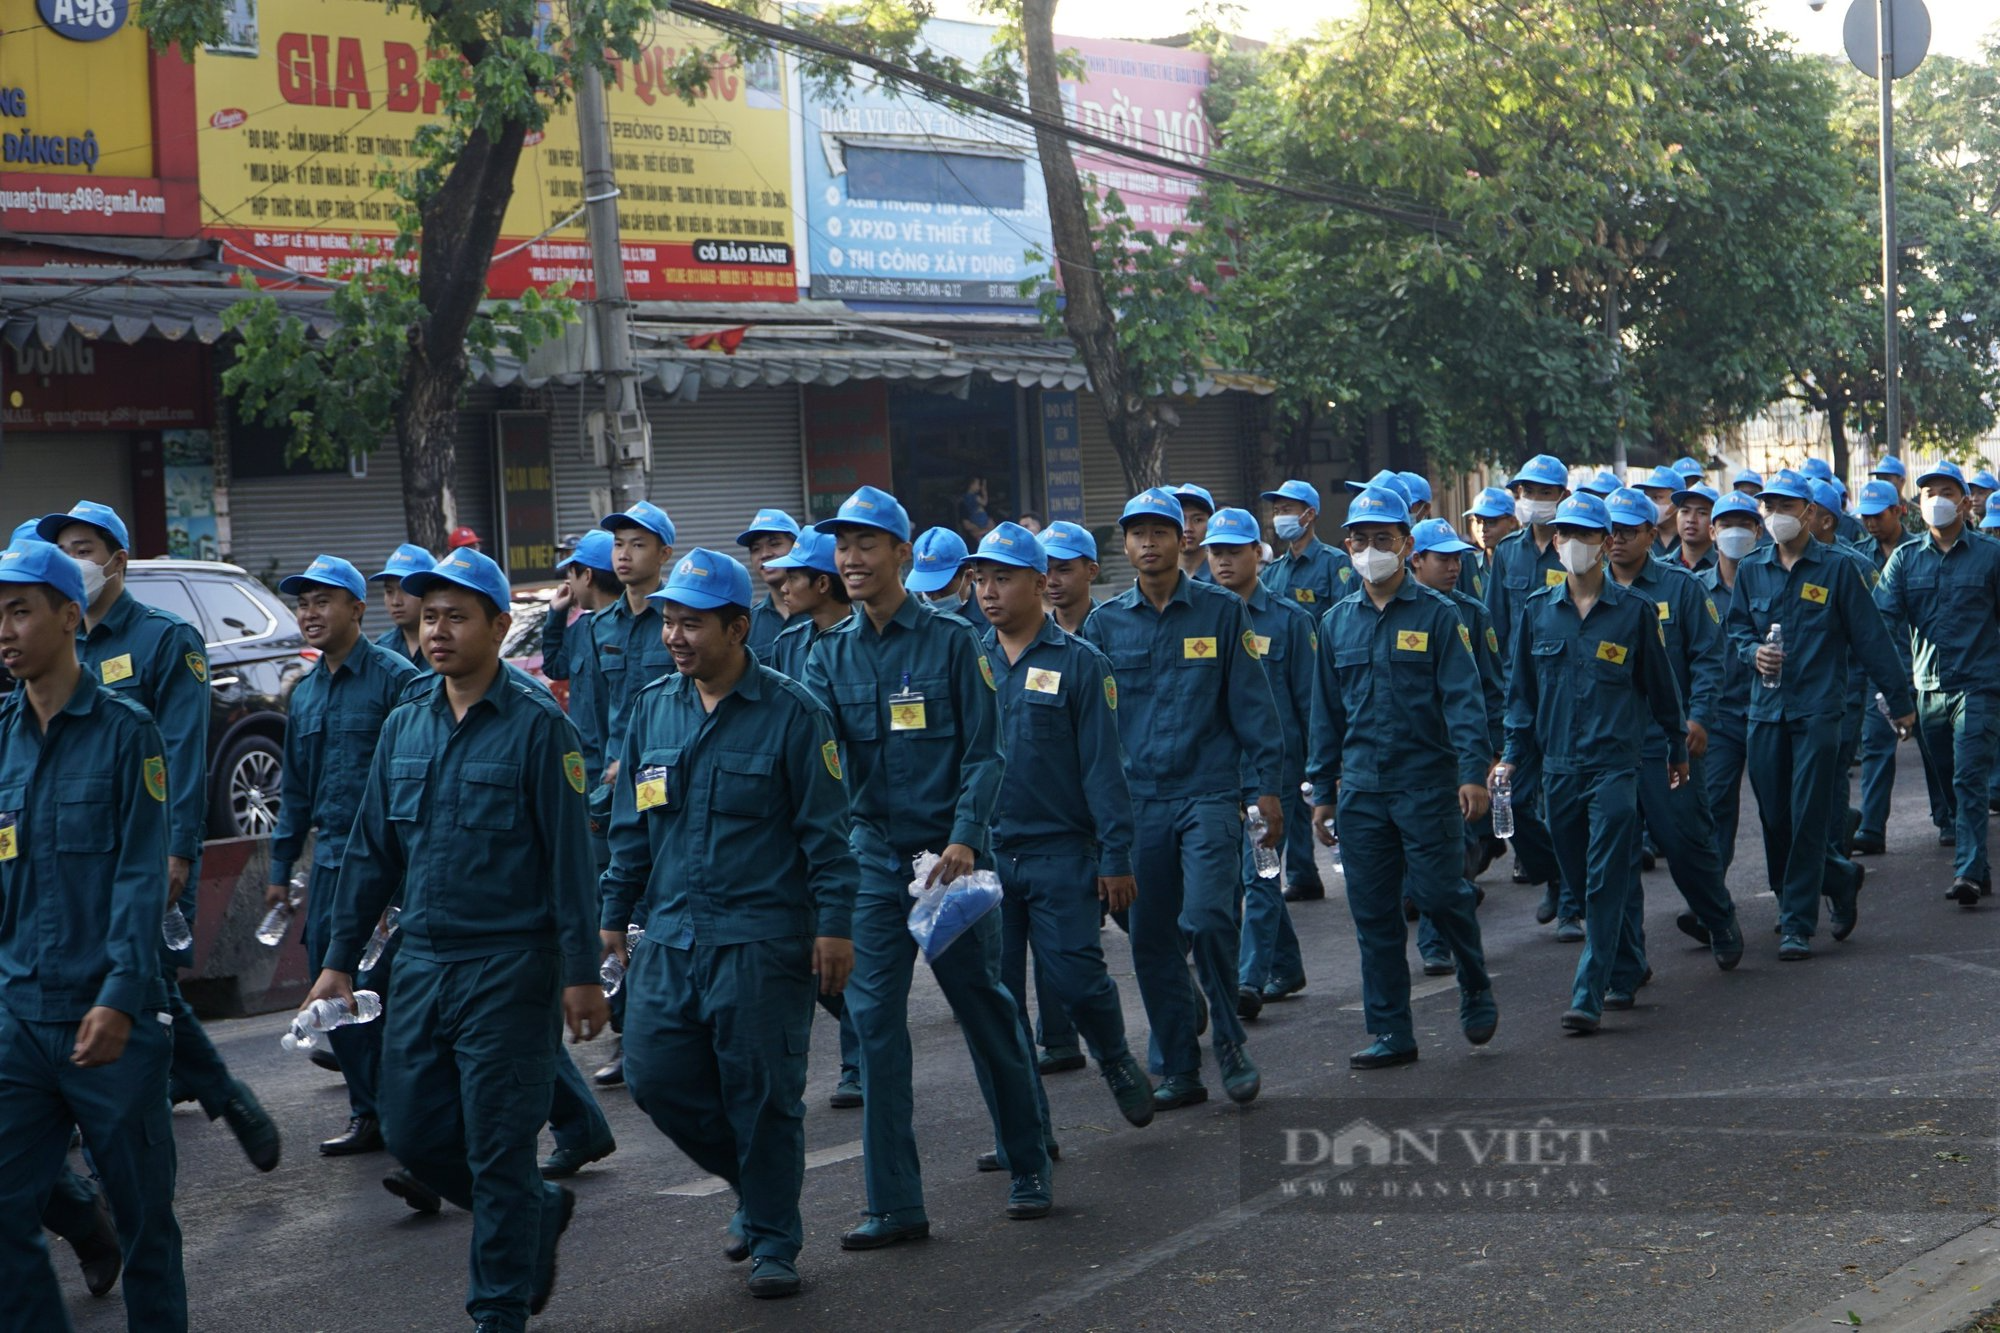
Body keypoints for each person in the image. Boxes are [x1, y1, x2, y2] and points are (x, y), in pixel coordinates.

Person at [308, 548, 609, 1331]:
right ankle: (532, 1211)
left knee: (499, 1143)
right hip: (424, 961)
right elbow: (373, 849)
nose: (438, 631)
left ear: (500, 626)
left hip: (512, 963)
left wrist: (581, 972)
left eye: (457, 616)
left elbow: (573, 860)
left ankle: (498, 1307)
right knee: (411, 1128)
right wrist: (337, 960)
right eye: (429, 615)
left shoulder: (541, 725)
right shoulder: (406, 721)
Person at [600, 549, 858, 1301]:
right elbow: (629, 827)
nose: (674, 637)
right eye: (669, 622)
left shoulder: (794, 713)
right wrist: (614, 912)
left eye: (692, 623)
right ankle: (756, 1184)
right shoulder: (653, 707)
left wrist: (834, 927)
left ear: (739, 627)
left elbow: (827, 837)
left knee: (762, 1093)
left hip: (761, 938)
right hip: (673, 935)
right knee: (654, 1075)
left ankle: (775, 1236)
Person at [804, 485, 1052, 1246]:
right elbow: (822, 772)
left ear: (902, 555)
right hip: (874, 864)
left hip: (951, 861)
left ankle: (1028, 1158)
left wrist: (965, 835)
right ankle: (896, 1203)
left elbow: (986, 752)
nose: (849, 558)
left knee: (984, 1007)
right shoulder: (828, 652)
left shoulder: (952, 643)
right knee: (875, 1023)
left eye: (865, 543)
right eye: (842, 546)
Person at [36, 501, 281, 1171]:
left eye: (84, 548)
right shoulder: (64, 639)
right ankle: (222, 1094)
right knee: (139, 982)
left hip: (145, 847)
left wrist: (176, 848)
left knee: (141, 976)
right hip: (76, 852)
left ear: (117, 559)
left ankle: (201, 1107)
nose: (74, 563)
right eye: (64, 551)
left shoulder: (165, 638)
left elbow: (179, 749)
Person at [0, 539, 187, 1332]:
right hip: (18, 1019)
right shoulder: (1, 735)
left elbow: (143, 873)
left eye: (18, 610)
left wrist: (118, 994)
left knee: (146, 1226)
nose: (2, 629)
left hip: (112, 1016)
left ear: (69, 615)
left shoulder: (125, 731)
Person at [1086, 487, 1282, 1109]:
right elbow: (1093, 731)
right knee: (1150, 937)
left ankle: (1227, 1039)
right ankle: (1180, 1068)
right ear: (1125, 544)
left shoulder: (1222, 613)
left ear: (1182, 540)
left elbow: (1253, 707)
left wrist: (1267, 790)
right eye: (1136, 533)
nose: (1148, 543)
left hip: (1207, 792)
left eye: (1160, 532)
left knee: (1207, 918)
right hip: (1139, 802)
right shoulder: (1104, 623)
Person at [966, 523, 1156, 1147]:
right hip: (989, 854)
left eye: (1002, 578)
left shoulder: (1081, 664)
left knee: (1076, 978)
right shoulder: (969, 662)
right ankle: (1024, 1131)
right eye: (980, 579)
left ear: (1037, 582)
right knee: (997, 1003)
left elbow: (1106, 770)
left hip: (1060, 852)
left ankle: (1114, 1056)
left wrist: (1115, 856)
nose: (988, 592)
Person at [1308, 487, 1497, 1067]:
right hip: (1362, 790)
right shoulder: (1336, 624)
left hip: (1426, 784)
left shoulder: (1439, 617)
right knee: (1373, 913)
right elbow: (1326, 712)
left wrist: (1473, 773)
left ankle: (1473, 978)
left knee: (1442, 895)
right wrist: (1322, 788)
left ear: (1406, 544)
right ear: (1347, 547)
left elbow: (1464, 700)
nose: (1371, 550)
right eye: (1361, 540)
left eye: (1383, 539)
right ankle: (1392, 1030)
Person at [1494, 492, 1688, 1032]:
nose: (1574, 544)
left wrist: (1675, 746)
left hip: (1614, 767)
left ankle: (1589, 989)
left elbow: (1661, 688)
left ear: (1605, 544)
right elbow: (1521, 699)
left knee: (1604, 877)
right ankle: (1627, 960)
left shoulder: (1635, 614)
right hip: (1558, 769)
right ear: (1554, 543)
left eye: (1585, 535)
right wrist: (1513, 760)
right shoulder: (1537, 612)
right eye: (1565, 535)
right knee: (1579, 880)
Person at [267, 556, 424, 1158]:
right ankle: (371, 1113)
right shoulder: (304, 695)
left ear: (357, 609)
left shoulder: (395, 678)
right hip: (332, 866)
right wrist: (280, 871)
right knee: (331, 993)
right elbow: (297, 792)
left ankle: (412, 1115)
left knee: (395, 993)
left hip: (392, 868)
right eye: (302, 603)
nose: (309, 613)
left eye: (322, 601)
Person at [1728, 470, 1913, 958]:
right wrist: (1752, 654)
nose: (1775, 516)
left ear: (1809, 513)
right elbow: (1734, 632)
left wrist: (1901, 702)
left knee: (1807, 814)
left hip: (1818, 711)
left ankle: (1796, 921)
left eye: (1786, 507)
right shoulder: (1751, 570)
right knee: (1774, 817)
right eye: (1769, 507)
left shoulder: (1837, 569)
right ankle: (1840, 876)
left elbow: (1872, 639)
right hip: (1766, 713)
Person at [1598, 490, 1744, 983]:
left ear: (1648, 534)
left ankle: (1717, 915)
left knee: (1685, 844)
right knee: (1614, 859)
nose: (1616, 540)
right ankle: (1626, 963)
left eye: (1627, 531)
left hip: (1668, 743)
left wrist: (1698, 719)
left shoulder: (1680, 588)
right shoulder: (1586, 591)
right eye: (1609, 531)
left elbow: (1709, 657)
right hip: (1609, 746)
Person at [1198, 508, 1313, 1013]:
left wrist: (1318, 777)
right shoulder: (1197, 619)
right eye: (1215, 552)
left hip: (1272, 773)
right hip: (1218, 772)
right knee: (1248, 875)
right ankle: (1285, 964)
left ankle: (1247, 980)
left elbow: (1312, 705)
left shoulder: (1291, 621)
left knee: (1260, 873)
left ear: (1256, 555)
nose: (1223, 561)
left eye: (1233, 551)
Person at [763, 529, 863, 1110]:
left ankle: (860, 1058)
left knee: (845, 939)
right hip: (799, 809)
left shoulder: (860, 642)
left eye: (794, 576)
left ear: (821, 584)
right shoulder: (789, 643)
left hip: (850, 815)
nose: (782, 582)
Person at [1876, 461, 2000, 906]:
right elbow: (1877, 623)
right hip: (1928, 690)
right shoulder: (1905, 560)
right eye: (1930, 494)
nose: (1938, 501)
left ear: (1966, 502)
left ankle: (1966, 871)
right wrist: (1889, 685)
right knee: (1948, 780)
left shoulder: (1991, 556)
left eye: (1948, 492)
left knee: (1969, 778)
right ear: (1917, 505)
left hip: (1979, 687)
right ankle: (1979, 866)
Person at [1403, 518, 1507, 973]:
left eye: (1457, 559)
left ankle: (1436, 942)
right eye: (1442, 559)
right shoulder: (1392, 612)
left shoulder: (1471, 613)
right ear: (1416, 560)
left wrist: (1496, 751)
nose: (1452, 568)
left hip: (1458, 757)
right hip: (1407, 759)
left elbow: (1490, 688)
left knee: (1445, 857)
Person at [1483, 456, 1574, 927]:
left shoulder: (1574, 547)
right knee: (1512, 797)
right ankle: (1551, 871)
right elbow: (1494, 626)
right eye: (1525, 493)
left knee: (1561, 801)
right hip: (1518, 694)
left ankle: (1572, 897)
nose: (1532, 502)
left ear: (1560, 495)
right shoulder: (1508, 553)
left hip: (1566, 690)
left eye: (1541, 493)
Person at [1258, 478, 1349, 905]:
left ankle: (1346, 851)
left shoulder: (1335, 566)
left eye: (1288, 508)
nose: (1281, 517)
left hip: (1326, 683)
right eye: (1276, 509)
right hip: (1280, 683)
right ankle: (1301, 871)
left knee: (1322, 776)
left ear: (1310, 514)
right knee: (1287, 781)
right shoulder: (1273, 573)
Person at [1849, 481, 1923, 856]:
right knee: (1877, 744)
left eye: (1879, 516)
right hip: (1877, 670)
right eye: (1866, 517)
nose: (1872, 524)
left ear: (1900, 511)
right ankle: (1873, 828)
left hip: (1923, 668)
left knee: (1938, 748)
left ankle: (1949, 817)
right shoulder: (1857, 558)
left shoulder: (1922, 553)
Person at [1697, 493, 1763, 874]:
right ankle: (1712, 903)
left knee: (1780, 807)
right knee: (1715, 804)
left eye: (1743, 525)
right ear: (1713, 532)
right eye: (1726, 525)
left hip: (1769, 710)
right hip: (1719, 717)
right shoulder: (1696, 589)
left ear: (1758, 531)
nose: (1735, 533)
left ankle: (1798, 896)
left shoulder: (1774, 581)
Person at [736, 509, 801, 650]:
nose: (764, 554)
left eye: (774, 544)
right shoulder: (749, 624)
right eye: (756, 549)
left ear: (796, 547)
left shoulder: (820, 611)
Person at [906, 527, 987, 628]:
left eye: (941, 587)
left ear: (968, 577)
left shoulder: (993, 617)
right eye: (927, 588)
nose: (934, 598)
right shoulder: (917, 622)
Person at [370, 543, 436, 667]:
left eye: (405, 590)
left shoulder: (445, 645)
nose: (396, 602)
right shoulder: (382, 649)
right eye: (389, 591)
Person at [1041, 522, 1101, 638]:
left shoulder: (1113, 628)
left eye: (1063, 570)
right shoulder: (1038, 634)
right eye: (1046, 570)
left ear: (1092, 571)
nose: (1052, 581)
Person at [1635, 466, 1683, 558]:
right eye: (1647, 498)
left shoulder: (1691, 535)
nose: (1651, 504)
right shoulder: (1640, 536)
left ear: (1677, 500)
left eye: (1657, 497)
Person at [1671, 483, 1719, 573]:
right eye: (1685, 511)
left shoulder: (1724, 569)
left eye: (1702, 513)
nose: (1691, 519)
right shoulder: (1660, 568)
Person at [1174, 484, 1217, 583]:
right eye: (1181, 519)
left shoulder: (1223, 575)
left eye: (1198, 520)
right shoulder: (1159, 578)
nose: (1188, 528)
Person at [1463, 487, 1519, 563]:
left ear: (1512, 522)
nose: (1482, 529)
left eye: (1491, 522)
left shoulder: (1526, 563)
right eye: (1477, 522)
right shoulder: (1471, 566)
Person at [957, 476, 995, 544]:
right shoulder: (974, 497)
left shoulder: (964, 498)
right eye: (977, 484)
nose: (979, 487)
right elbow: (985, 502)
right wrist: (984, 489)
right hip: (978, 519)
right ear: (971, 485)